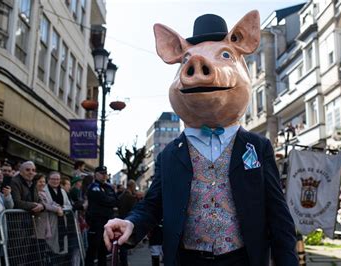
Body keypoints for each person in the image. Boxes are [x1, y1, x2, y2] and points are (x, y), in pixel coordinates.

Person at [103, 11, 298, 266]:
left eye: (225, 55)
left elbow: (278, 213)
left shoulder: (257, 147)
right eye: (187, 60)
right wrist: (130, 223)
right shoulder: (170, 154)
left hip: (243, 258)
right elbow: (152, 206)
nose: (197, 66)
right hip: (188, 260)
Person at [85, 166, 118, 266]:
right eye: (102, 174)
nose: (104, 176)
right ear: (96, 174)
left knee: (103, 249)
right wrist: (109, 200)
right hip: (96, 222)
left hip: (107, 222)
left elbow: (116, 201)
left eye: (105, 174)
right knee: (93, 248)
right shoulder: (94, 187)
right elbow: (102, 199)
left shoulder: (108, 187)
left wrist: (108, 200)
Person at [117, 180, 138, 266]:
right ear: (132, 186)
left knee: (122, 243)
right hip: (127, 221)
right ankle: (124, 263)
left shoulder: (121, 196)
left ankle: (122, 261)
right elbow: (134, 210)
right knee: (124, 244)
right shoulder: (130, 197)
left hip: (120, 220)